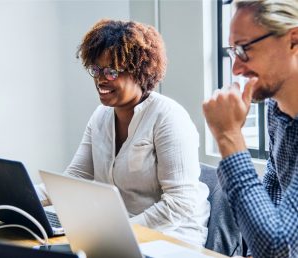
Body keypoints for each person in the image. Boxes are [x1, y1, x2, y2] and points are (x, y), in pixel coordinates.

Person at [39, 19, 210, 246]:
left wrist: (118, 234)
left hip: (170, 236)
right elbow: (75, 177)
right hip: (116, 233)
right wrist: (22, 198)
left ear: (140, 72)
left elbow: (179, 204)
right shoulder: (100, 116)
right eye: (96, 69)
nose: (100, 79)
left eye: (111, 71)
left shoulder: (169, 118)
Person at [203, 0, 298, 257]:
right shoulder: (276, 108)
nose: (235, 68)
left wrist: (229, 137)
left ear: (293, 40)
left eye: (244, 50)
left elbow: (278, 249)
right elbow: (276, 183)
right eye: (233, 51)